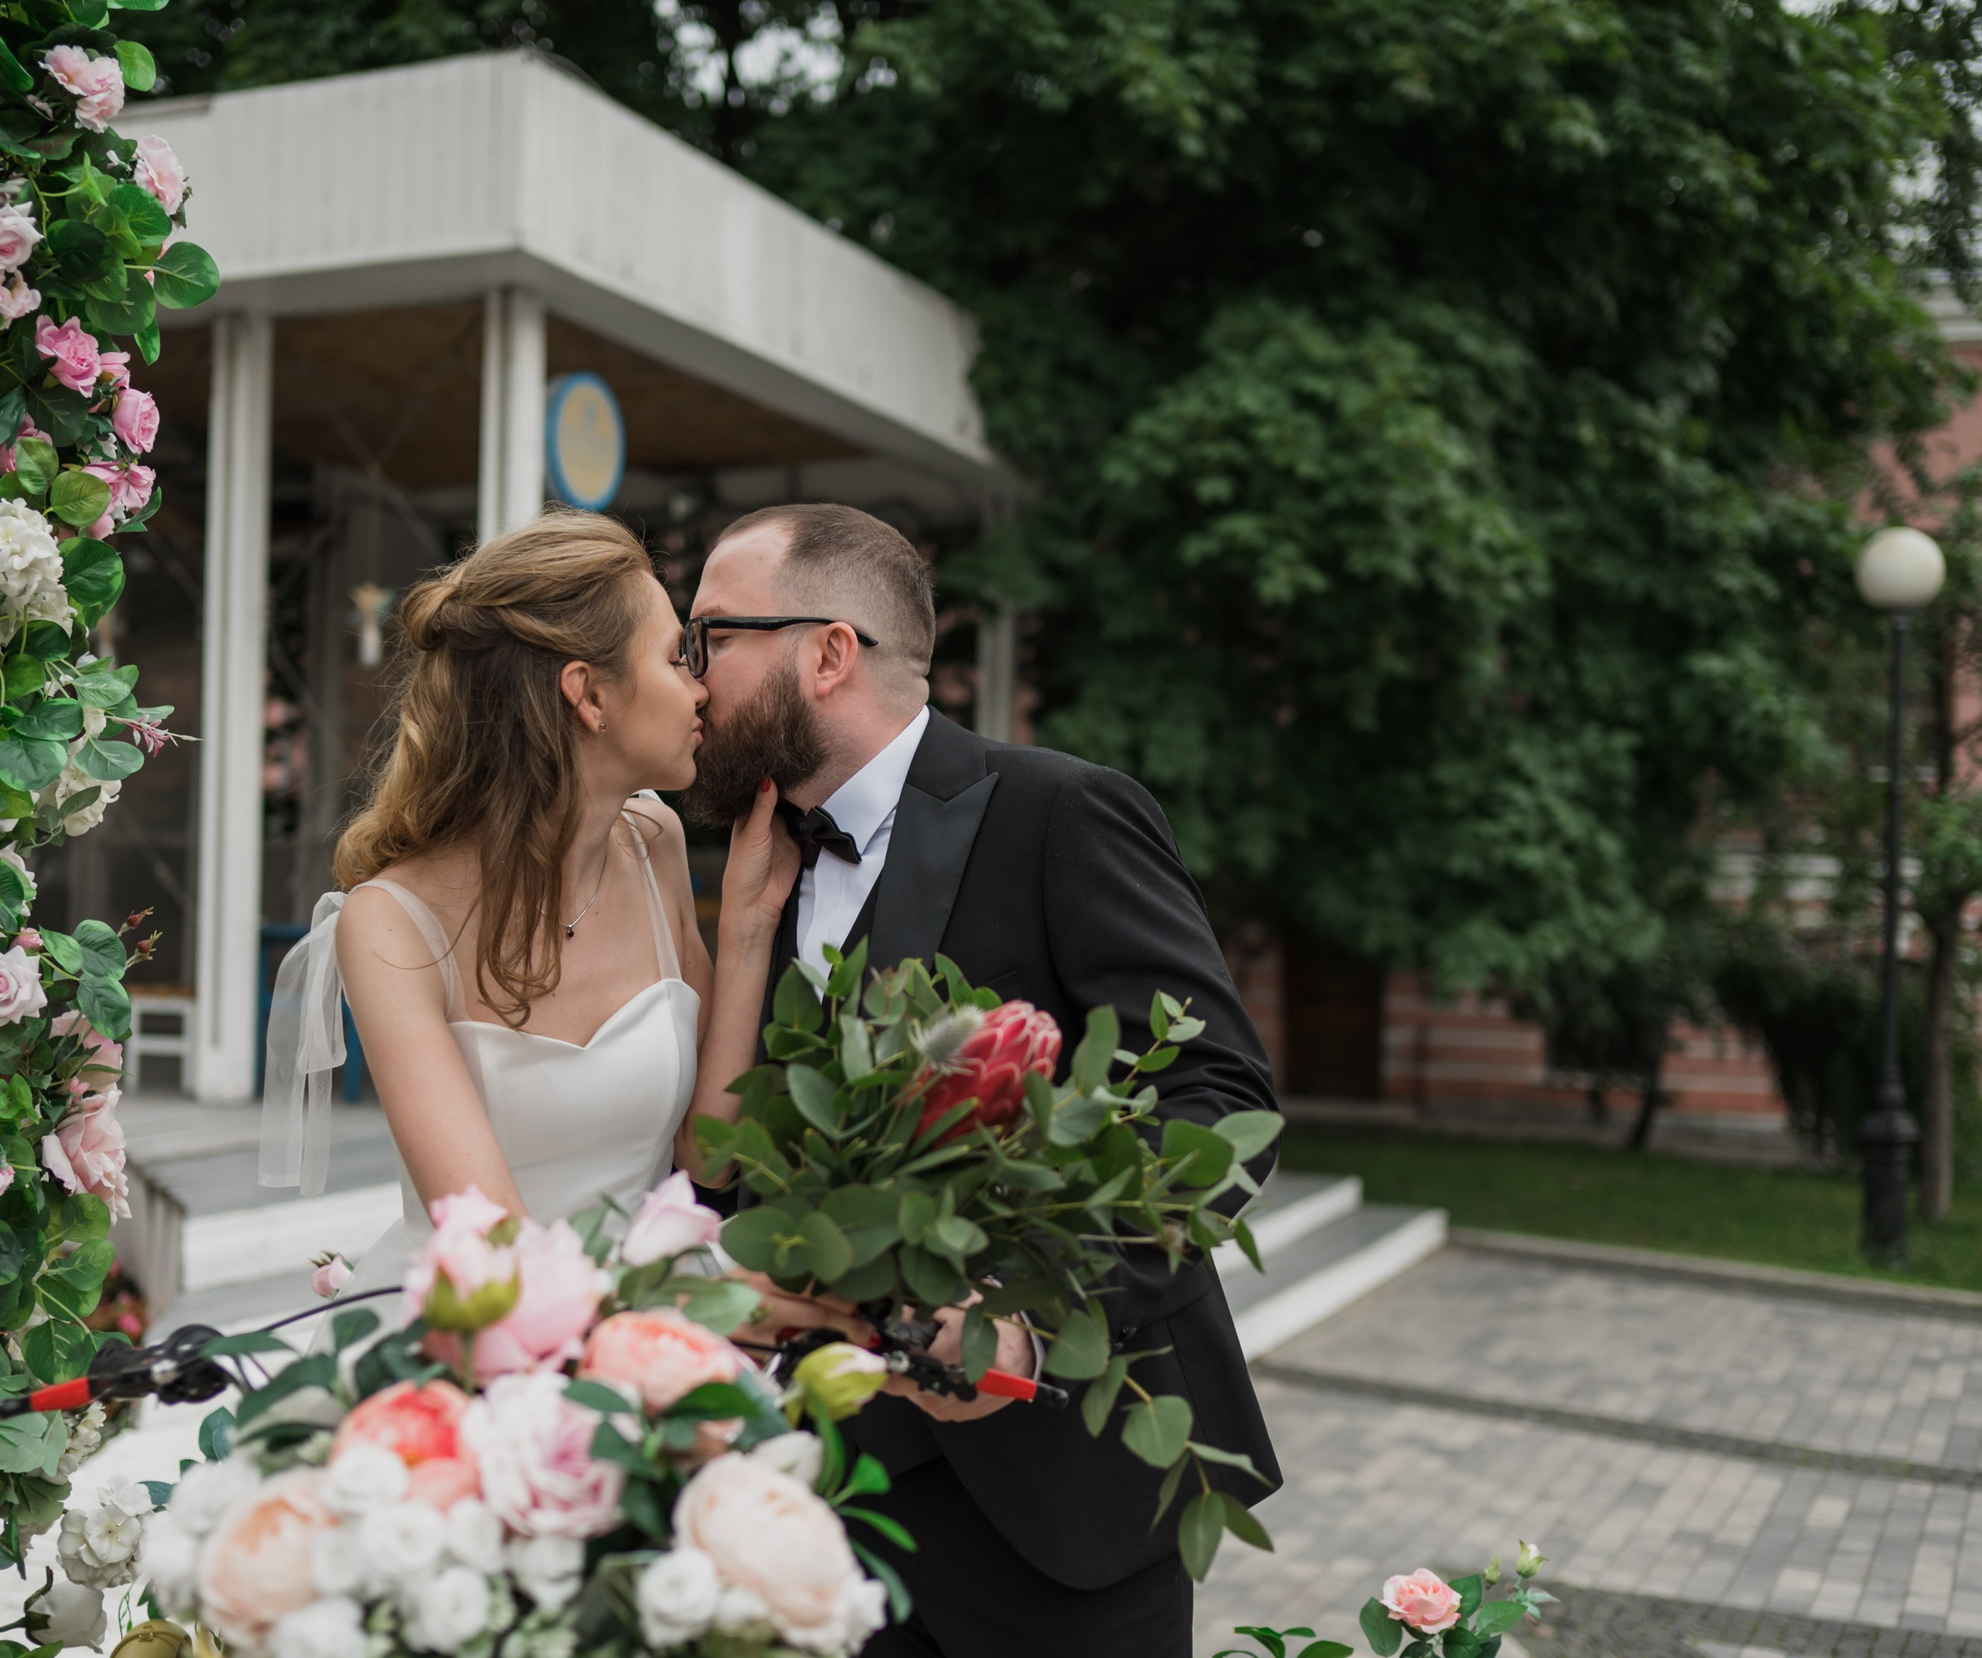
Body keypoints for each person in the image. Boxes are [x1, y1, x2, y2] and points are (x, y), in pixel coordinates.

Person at [683, 503, 1283, 1658]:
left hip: (1056, 1494)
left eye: (712, 635)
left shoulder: (1058, 810)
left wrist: (1024, 1322)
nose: (691, 671)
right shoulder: (763, 869)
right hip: (830, 1501)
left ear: (826, 651)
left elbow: (1220, 1100)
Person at [257, 510, 802, 1296]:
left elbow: (706, 1154)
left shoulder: (657, 845)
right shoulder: (392, 923)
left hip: (649, 1314)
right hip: (485, 1330)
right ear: (588, 695)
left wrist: (749, 923)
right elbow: (494, 1251)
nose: (700, 685)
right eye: (675, 656)